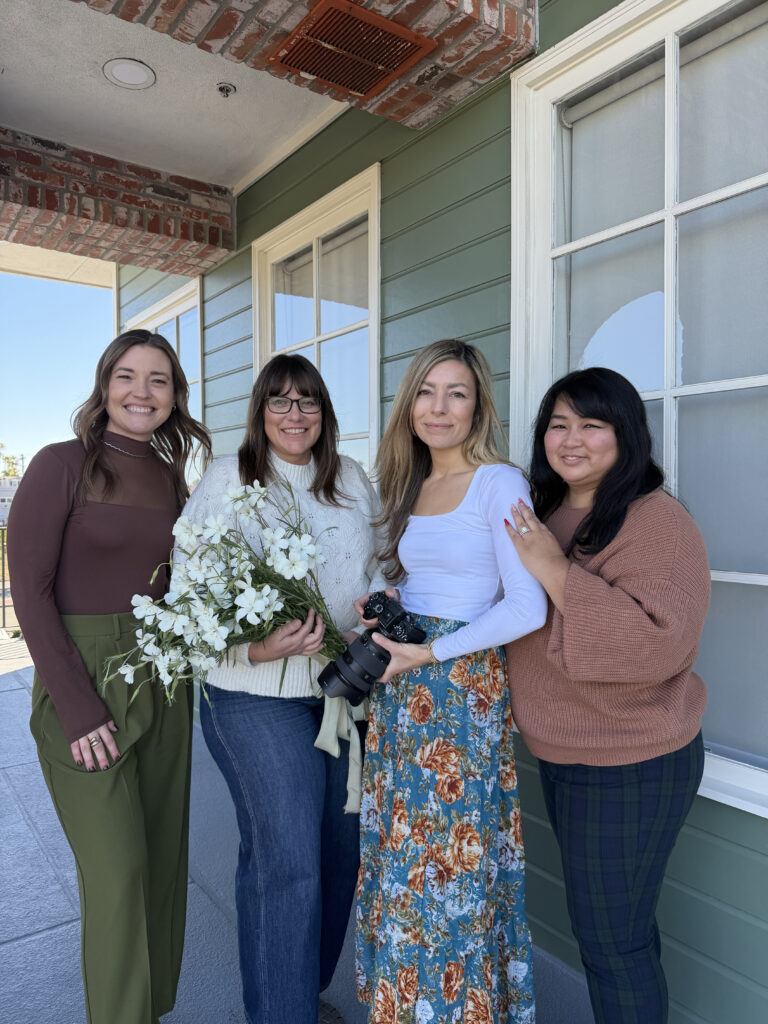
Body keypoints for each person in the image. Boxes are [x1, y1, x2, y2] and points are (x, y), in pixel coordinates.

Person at [175, 352, 387, 1024]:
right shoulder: (229, 478)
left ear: (324, 412)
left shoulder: (351, 479)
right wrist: (260, 647)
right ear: (260, 412)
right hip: (251, 697)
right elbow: (188, 591)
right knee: (287, 859)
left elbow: (383, 564)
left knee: (340, 854)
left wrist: (371, 614)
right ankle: (282, 1012)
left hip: (340, 693)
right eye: (280, 401)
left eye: (308, 401)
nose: (295, 414)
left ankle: (298, 994)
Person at [8, 330, 211, 1024]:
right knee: (117, 873)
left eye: (159, 380)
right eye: (127, 376)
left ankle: (148, 1010)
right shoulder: (60, 464)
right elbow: (30, 591)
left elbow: (185, 586)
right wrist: (77, 706)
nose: (141, 392)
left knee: (160, 863)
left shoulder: (170, 476)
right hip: (86, 678)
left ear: (175, 396)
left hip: (163, 678)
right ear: (104, 385)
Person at [504, 367, 709, 1024]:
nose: (571, 440)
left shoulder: (658, 523)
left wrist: (554, 570)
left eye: (591, 425)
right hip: (563, 752)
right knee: (615, 933)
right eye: (558, 424)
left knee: (612, 943)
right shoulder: (543, 512)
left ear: (626, 435)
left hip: (632, 759)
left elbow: (655, 644)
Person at [355, 339, 547, 1024]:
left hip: (460, 692)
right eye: (426, 392)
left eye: (456, 393)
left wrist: (430, 653)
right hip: (403, 690)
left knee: (449, 865)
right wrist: (390, 605)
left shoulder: (500, 483)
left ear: (478, 406)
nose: (439, 408)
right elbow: (431, 579)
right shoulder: (409, 485)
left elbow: (527, 607)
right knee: (403, 852)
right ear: (408, 405)